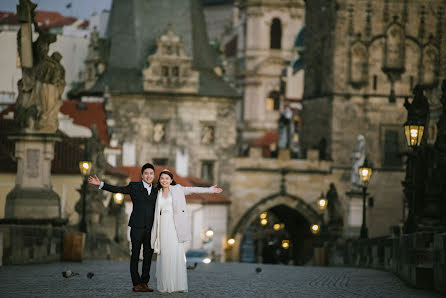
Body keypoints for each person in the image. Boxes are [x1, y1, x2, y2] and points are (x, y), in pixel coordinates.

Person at [88, 163, 157, 292]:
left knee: (148, 256)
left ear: (154, 176)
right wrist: (101, 184)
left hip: (151, 229)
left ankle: (144, 283)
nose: (148, 176)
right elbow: (118, 189)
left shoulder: (156, 190)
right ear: (142, 175)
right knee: (135, 255)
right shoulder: (134, 186)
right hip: (136, 226)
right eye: (146, 173)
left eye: (151, 174)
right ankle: (136, 283)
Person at [151, 169, 222, 293]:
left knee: (175, 253)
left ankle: (176, 285)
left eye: (167, 178)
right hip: (162, 225)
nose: (164, 180)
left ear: (171, 180)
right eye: (162, 178)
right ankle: (166, 284)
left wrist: (210, 190)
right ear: (159, 180)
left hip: (175, 225)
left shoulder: (178, 189)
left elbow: (193, 189)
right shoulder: (157, 192)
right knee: (164, 254)